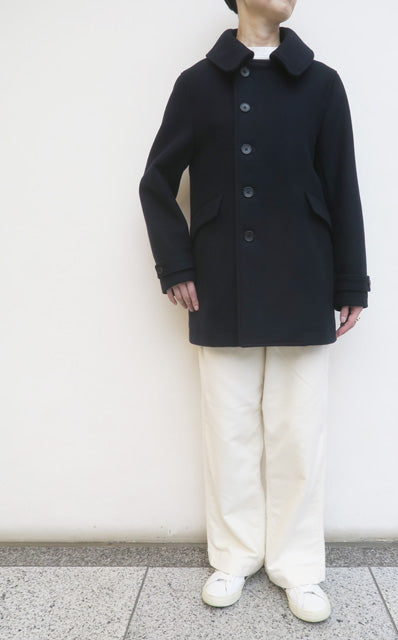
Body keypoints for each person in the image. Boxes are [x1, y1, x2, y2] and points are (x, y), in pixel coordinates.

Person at [138, 0, 371, 624]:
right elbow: (156, 181)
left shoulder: (321, 83)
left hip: (304, 276)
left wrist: (350, 278)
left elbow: (342, 183)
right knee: (230, 429)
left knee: (298, 430)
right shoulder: (197, 83)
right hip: (222, 279)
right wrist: (177, 266)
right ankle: (234, 556)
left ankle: (299, 566)